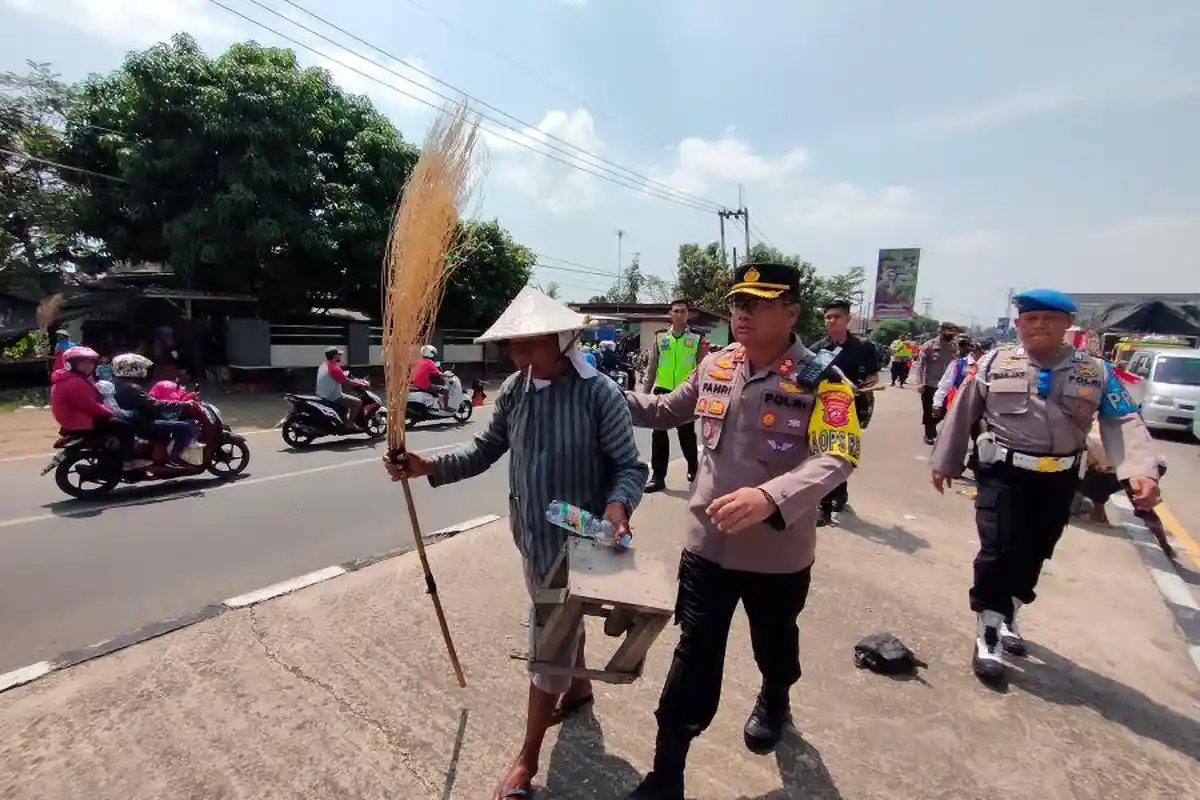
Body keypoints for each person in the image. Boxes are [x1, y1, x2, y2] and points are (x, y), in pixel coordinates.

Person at [382, 287, 647, 800]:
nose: (518, 356)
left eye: (529, 345)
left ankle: (526, 758)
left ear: (561, 340)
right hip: (533, 536)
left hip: (579, 543)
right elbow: (485, 449)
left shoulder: (599, 395)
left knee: (547, 644)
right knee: (561, 625)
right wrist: (427, 465)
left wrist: (618, 508)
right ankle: (581, 687)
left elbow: (629, 466)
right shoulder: (515, 394)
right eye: (511, 346)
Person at [621, 262, 861, 800]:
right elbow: (664, 410)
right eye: (736, 304)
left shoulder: (822, 379)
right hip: (708, 549)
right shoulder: (717, 365)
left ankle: (776, 693)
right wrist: (600, 392)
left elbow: (839, 455)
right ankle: (668, 773)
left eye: (757, 304)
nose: (742, 314)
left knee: (773, 643)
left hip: (778, 555)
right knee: (694, 654)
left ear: (791, 312)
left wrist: (770, 496)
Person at [930, 288, 1160, 686]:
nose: (1038, 324)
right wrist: (945, 461)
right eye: (1030, 318)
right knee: (997, 549)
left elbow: (1123, 420)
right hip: (1003, 472)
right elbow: (962, 411)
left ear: (1067, 325)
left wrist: (1141, 469)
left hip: (1059, 478)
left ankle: (1009, 612)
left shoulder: (1095, 372)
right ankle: (988, 631)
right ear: (1018, 324)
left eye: (1049, 318)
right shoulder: (993, 363)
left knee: (1035, 550)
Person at [808, 298, 880, 524]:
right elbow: (807, 377)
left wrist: (864, 387)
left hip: (852, 410)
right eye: (828, 317)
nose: (831, 321)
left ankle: (840, 489)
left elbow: (873, 376)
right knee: (824, 453)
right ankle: (824, 505)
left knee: (843, 453)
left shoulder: (863, 348)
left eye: (836, 316)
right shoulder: (818, 348)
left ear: (848, 319)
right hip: (823, 410)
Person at [641, 298, 705, 493]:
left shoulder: (697, 338)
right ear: (670, 314)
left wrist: (702, 393)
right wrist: (645, 393)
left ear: (688, 315)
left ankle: (693, 467)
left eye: (682, 311)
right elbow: (652, 366)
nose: (679, 314)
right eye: (675, 311)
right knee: (658, 434)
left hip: (686, 392)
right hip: (662, 390)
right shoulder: (660, 337)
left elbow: (702, 367)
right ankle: (658, 477)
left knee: (686, 434)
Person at [111, 353, 199, 467]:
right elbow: (155, 404)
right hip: (142, 423)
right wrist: (182, 404)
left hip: (131, 420)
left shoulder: (116, 383)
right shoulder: (131, 387)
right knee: (184, 427)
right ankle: (174, 457)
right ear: (133, 369)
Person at [50, 345, 136, 462]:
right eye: (83, 363)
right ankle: (128, 461)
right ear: (72, 364)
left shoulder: (68, 377)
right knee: (124, 426)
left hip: (73, 418)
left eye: (90, 363)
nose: (89, 366)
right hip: (81, 419)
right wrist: (110, 412)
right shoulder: (75, 382)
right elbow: (89, 406)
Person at [915, 322, 961, 444]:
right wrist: (920, 383)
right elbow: (920, 365)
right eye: (949, 333)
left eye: (953, 333)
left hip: (947, 385)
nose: (951, 336)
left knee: (945, 410)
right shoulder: (929, 346)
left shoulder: (954, 347)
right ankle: (929, 434)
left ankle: (932, 426)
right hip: (930, 383)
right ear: (941, 331)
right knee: (929, 410)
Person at [316, 347, 369, 428]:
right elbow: (347, 382)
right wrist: (362, 384)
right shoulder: (334, 368)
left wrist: (347, 377)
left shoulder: (324, 365)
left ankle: (344, 419)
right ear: (335, 357)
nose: (340, 356)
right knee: (357, 402)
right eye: (339, 355)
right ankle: (350, 424)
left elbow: (338, 376)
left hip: (321, 394)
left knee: (347, 396)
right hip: (332, 397)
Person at [410, 344, 447, 413]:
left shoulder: (418, 362)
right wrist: (446, 374)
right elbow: (438, 373)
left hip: (414, 384)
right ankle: (445, 408)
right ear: (431, 353)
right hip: (424, 385)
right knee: (444, 390)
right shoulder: (430, 362)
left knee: (434, 390)